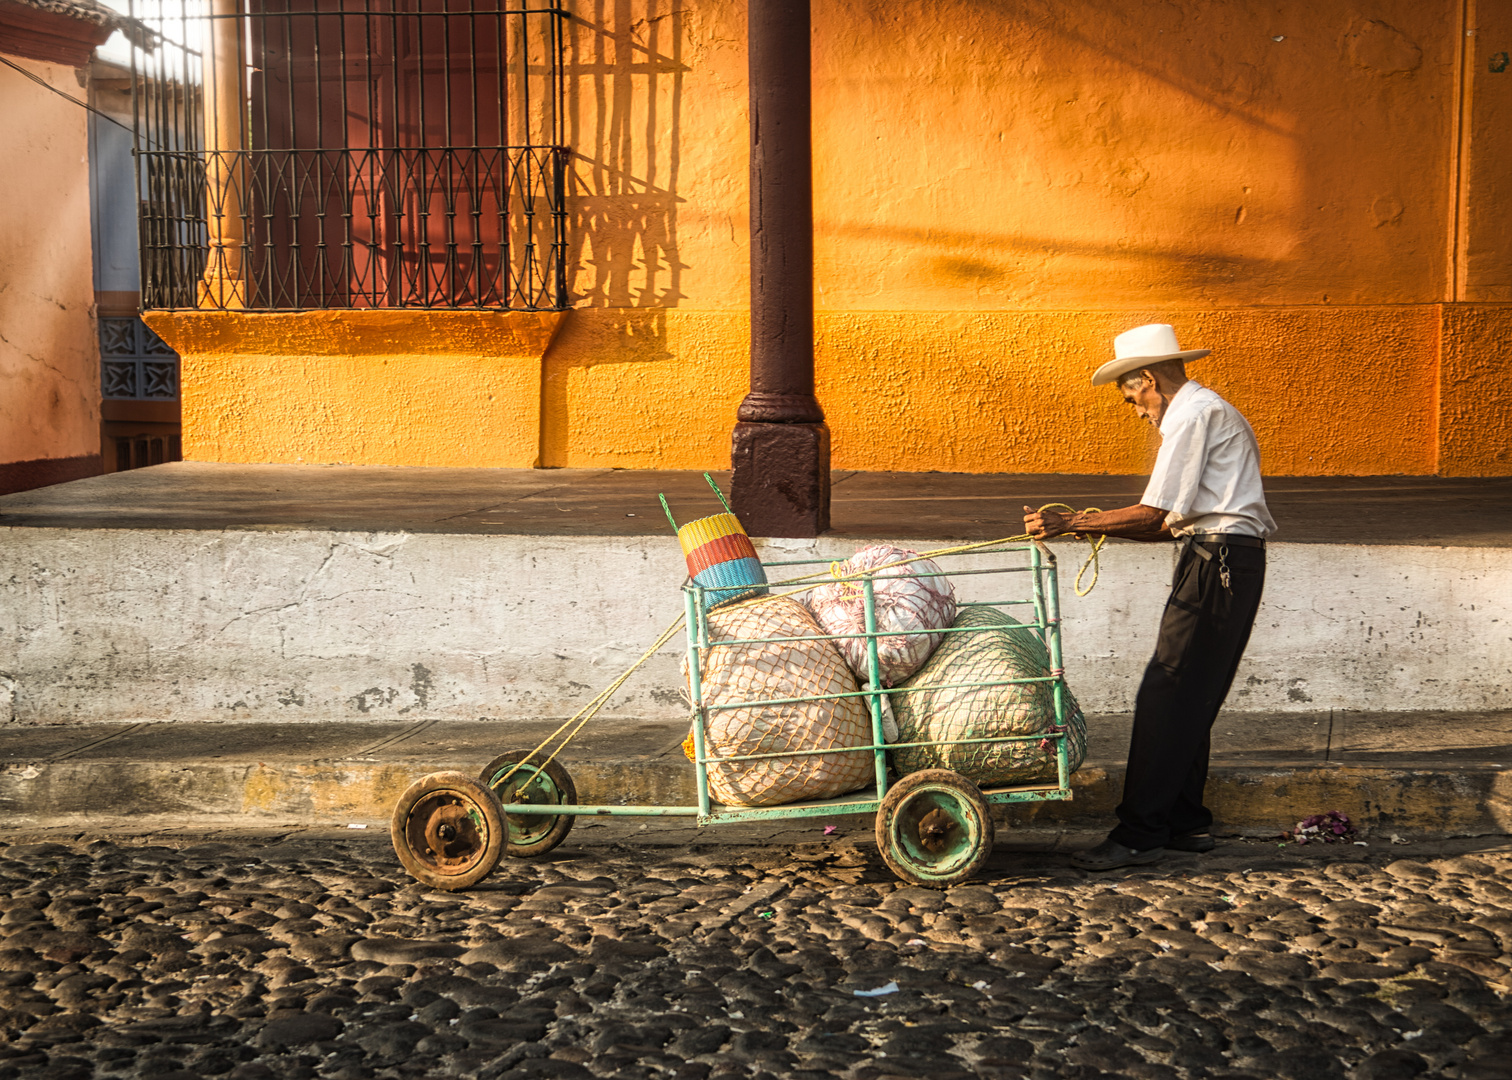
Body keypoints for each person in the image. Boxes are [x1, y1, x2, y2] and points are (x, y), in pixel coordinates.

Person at [1023, 323, 1276, 871]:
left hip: (1220, 561)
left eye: (1132, 395)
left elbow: (1155, 515)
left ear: (1147, 379)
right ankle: (1186, 825)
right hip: (1219, 557)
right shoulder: (1203, 411)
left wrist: (1071, 522)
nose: (1136, 409)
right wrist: (1081, 526)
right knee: (1189, 697)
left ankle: (1139, 835)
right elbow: (1166, 524)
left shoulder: (1191, 414)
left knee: (1167, 694)